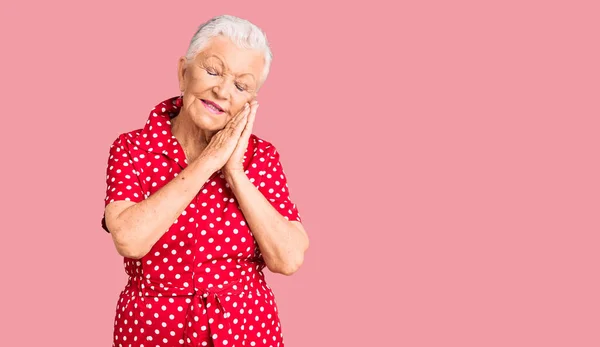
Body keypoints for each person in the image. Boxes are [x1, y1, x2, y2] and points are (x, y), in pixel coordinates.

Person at [101, 14, 309, 347]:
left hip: (246, 329)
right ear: (184, 72)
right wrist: (209, 160)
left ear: (249, 102)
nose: (222, 90)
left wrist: (236, 172)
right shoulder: (132, 147)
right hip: (153, 332)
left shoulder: (263, 158)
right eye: (212, 70)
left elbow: (288, 259)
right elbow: (130, 239)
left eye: (241, 85)